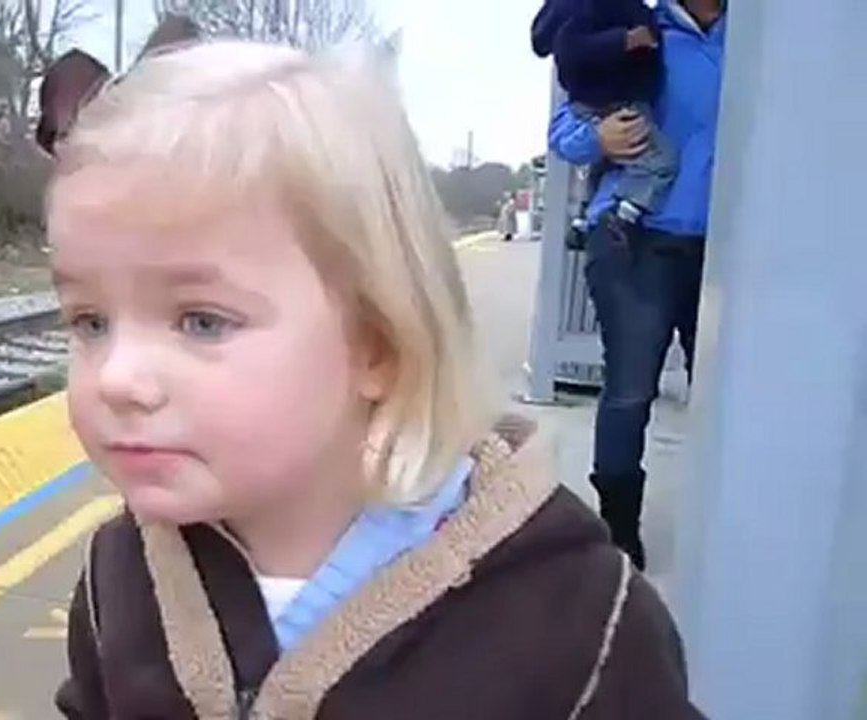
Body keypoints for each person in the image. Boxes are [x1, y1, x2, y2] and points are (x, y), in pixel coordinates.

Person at [41, 20, 706, 720]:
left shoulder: (580, 624)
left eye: (201, 321)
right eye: (89, 321)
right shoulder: (119, 576)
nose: (116, 378)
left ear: (378, 344)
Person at [548, 0, 725, 570]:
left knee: (725, 396)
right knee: (630, 390)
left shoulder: (759, 50)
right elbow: (564, 130)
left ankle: (729, 520)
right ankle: (619, 531)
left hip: (728, 250)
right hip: (634, 240)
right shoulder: (640, 31)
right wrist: (598, 136)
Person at [532, 0, 679, 243]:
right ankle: (621, 217)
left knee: (604, 168)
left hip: (708, 235)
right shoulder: (600, 11)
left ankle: (586, 218)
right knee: (663, 161)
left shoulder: (738, 34)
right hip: (623, 239)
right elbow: (560, 134)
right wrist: (596, 139)